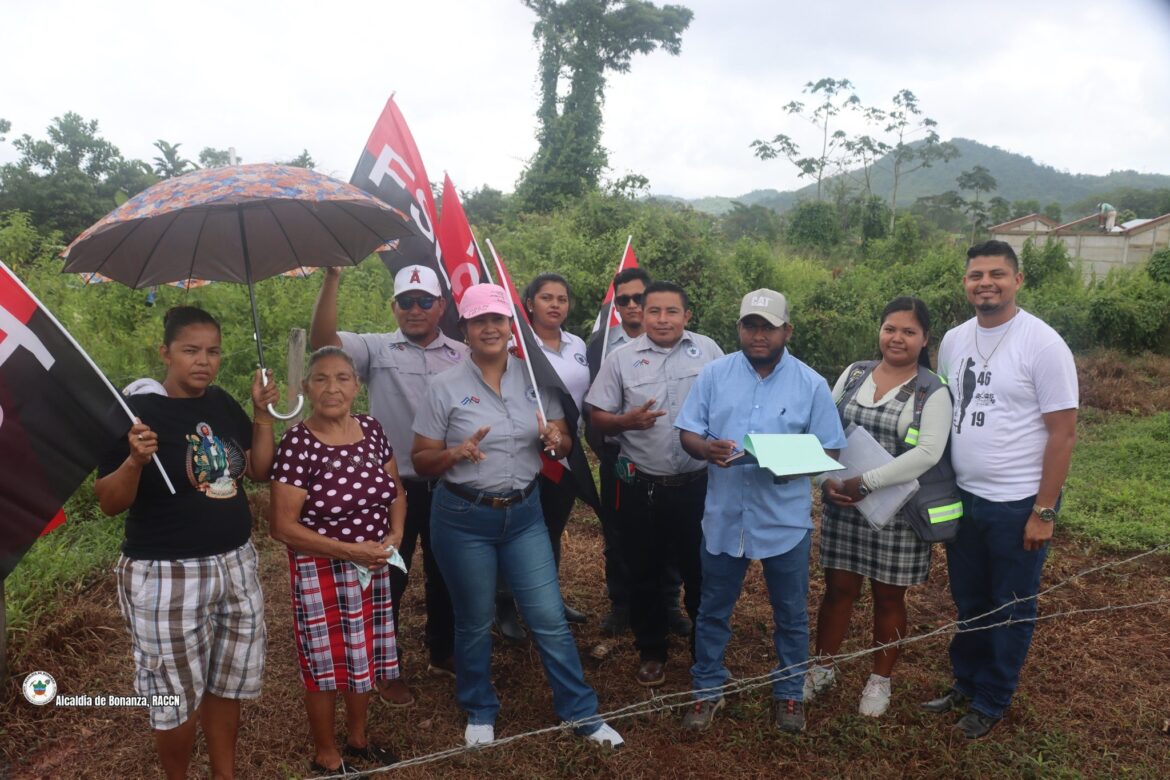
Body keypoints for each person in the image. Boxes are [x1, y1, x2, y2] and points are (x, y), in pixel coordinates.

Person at [411, 283, 623, 749]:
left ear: (511, 327)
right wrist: (454, 454)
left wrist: (556, 440)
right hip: (463, 518)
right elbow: (421, 459)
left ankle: (581, 712)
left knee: (548, 616)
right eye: (479, 320)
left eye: (498, 319)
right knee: (472, 619)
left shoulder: (534, 379)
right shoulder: (443, 387)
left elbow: (564, 441)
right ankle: (479, 707)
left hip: (523, 515)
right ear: (464, 329)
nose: (489, 327)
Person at [94, 306, 278, 780]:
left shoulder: (219, 403)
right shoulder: (136, 414)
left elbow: (257, 471)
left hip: (235, 565)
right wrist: (134, 461)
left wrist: (261, 413)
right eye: (191, 350)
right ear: (166, 352)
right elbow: (108, 502)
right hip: (167, 575)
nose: (204, 361)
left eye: (213, 351)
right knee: (174, 696)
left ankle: (225, 774)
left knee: (227, 683)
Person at [923, 240, 1078, 739]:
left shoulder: (1044, 344)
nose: (985, 283)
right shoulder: (953, 340)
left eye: (997, 274)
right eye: (976, 275)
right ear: (966, 283)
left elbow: (1063, 432)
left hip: (1016, 503)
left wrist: (1044, 511)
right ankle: (965, 682)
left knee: (1010, 605)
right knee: (969, 599)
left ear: (1018, 280)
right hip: (964, 496)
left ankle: (993, 697)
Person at [673, 289, 846, 734]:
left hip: (784, 520)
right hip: (724, 516)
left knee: (790, 612)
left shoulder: (810, 383)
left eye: (769, 326)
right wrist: (705, 448)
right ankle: (708, 688)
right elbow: (689, 433)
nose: (758, 335)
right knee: (712, 609)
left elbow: (828, 449)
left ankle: (789, 692)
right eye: (750, 325)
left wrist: (786, 460)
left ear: (787, 330)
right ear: (739, 328)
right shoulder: (714, 375)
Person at [311, 263, 467, 702]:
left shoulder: (462, 353)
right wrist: (332, 279)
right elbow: (324, 342)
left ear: (441, 306)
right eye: (405, 302)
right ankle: (386, 663)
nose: (414, 309)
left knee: (445, 573)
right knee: (388, 577)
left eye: (424, 301)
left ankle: (443, 650)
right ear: (393, 307)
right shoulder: (374, 348)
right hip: (391, 489)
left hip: (450, 481)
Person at [806, 296, 954, 717]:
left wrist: (866, 482)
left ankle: (879, 680)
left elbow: (927, 453)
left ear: (925, 338)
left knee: (888, 598)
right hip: (845, 505)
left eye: (909, 331)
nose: (897, 338)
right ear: (880, 330)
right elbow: (825, 431)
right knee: (838, 591)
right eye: (891, 328)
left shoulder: (931, 389)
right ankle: (822, 667)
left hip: (897, 515)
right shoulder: (854, 374)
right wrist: (826, 480)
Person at [269, 347, 406, 774]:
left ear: (357, 386)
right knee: (324, 663)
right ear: (307, 387)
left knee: (364, 653)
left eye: (343, 378)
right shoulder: (298, 443)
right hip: (321, 568)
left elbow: (396, 489)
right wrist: (350, 551)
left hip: (373, 564)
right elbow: (283, 527)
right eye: (322, 378)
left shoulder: (371, 428)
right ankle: (327, 754)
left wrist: (395, 535)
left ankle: (358, 738)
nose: (333, 388)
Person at [584, 281, 723, 688]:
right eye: (654, 312)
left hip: (698, 484)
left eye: (672, 312)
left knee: (700, 570)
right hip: (642, 486)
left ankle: (705, 650)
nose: (663, 320)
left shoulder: (710, 352)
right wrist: (626, 421)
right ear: (641, 316)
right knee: (642, 569)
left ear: (687, 316)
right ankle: (652, 650)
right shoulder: (620, 359)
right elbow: (597, 416)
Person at [522, 272, 590, 624]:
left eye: (561, 299)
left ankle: (550, 599)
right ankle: (506, 601)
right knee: (520, 528)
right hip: (525, 451)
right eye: (546, 298)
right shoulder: (516, 343)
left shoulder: (578, 345)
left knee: (551, 525)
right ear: (530, 303)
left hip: (564, 449)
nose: (555, 305)